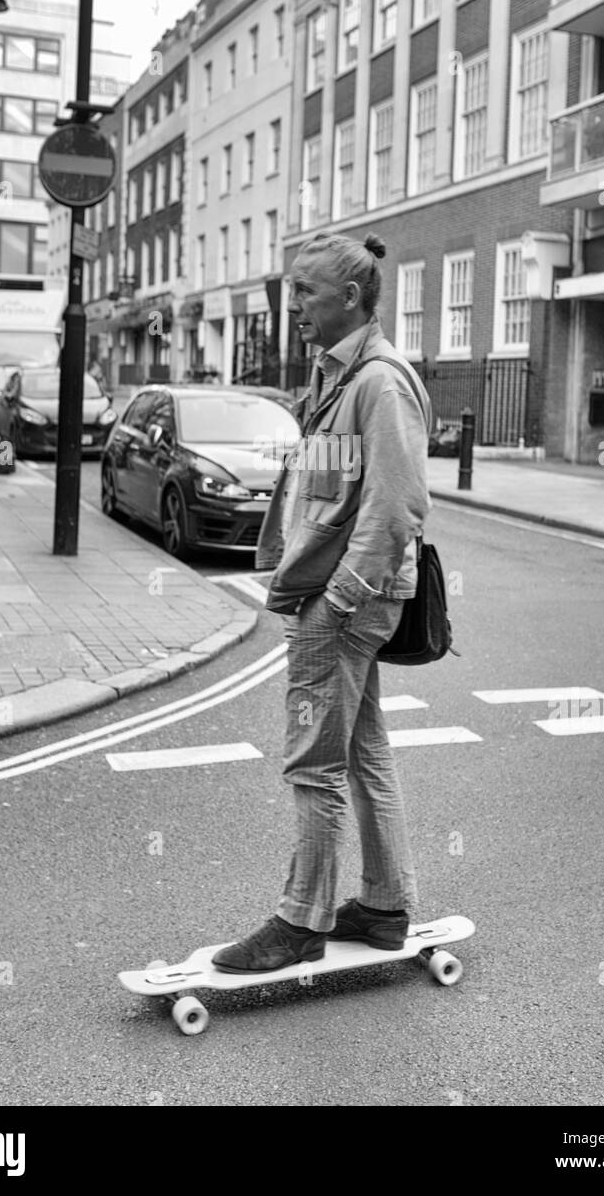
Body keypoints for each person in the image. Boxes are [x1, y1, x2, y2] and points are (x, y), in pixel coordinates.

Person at [213, 232, 431, 973]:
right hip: (337, 593)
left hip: (343, 601)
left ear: (352, 298)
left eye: (305, 290)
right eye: (292, 288)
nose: (293, 302)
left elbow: (397, 504)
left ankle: (300, 921)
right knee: (365, 753)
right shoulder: (338, 376)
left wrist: (339, 598)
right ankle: (383, 905)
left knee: (314, 764)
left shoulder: (379, 382)